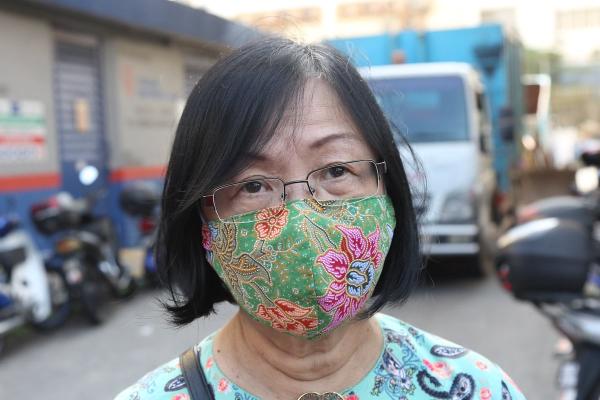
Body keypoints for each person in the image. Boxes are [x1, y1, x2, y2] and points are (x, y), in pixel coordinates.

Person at [116, 38, 526, 400]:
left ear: (387, 190)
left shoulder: (475, 388)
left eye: (336, 170)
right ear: (202, 219)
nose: (302, 218)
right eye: (253, 185)